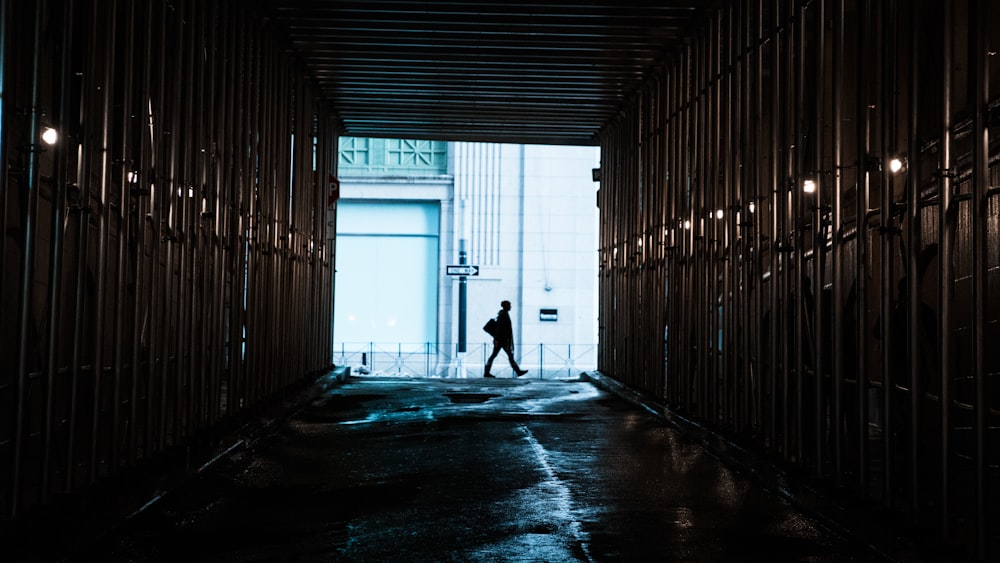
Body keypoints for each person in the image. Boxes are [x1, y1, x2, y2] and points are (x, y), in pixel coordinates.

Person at [484, 300, 528, 378]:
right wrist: (498, 340)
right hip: (502, 341)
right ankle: (518, 371)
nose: (510, 307)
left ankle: (487, 372)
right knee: (505, 356)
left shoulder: (503, 314)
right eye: (509, 305)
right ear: (506, 306)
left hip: (501, 340)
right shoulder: (503, 315)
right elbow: (500, 329)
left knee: (499, 356)